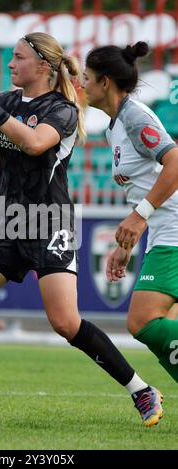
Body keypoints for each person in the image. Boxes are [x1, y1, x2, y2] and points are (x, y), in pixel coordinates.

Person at [0, 32, 162, 426]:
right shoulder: (5, 101)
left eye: (17, 58)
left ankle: (142, 390)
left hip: (50, 224)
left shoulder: (63, 109)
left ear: (43, 66)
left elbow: (34, 143)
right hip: (5, 222)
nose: (11, 64)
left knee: (66, 323)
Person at [83, 41, 178, 383]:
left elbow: (175, 162)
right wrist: (125, 247)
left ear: (105, 82)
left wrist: (139, 216)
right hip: (164, 228)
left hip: (173, 228)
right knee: (167, 319)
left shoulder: (135, 116)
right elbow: (142, 186)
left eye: (87, 77)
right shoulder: (115, 126)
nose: (82, 83)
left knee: (142, 321)